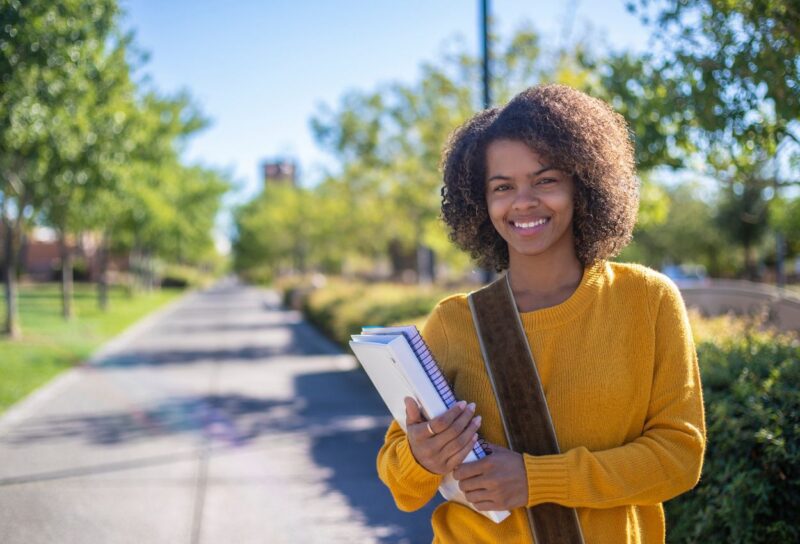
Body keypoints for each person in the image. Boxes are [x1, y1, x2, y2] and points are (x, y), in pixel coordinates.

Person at [376, 84, 706, 543]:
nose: (523, 201)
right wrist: (421, 456)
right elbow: (401, 485)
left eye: (545, 180)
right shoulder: (454, 323)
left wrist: (535, 480)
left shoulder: (648, 300)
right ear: (480, 202)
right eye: (502, 187)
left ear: (582, 184)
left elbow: (679, 458)